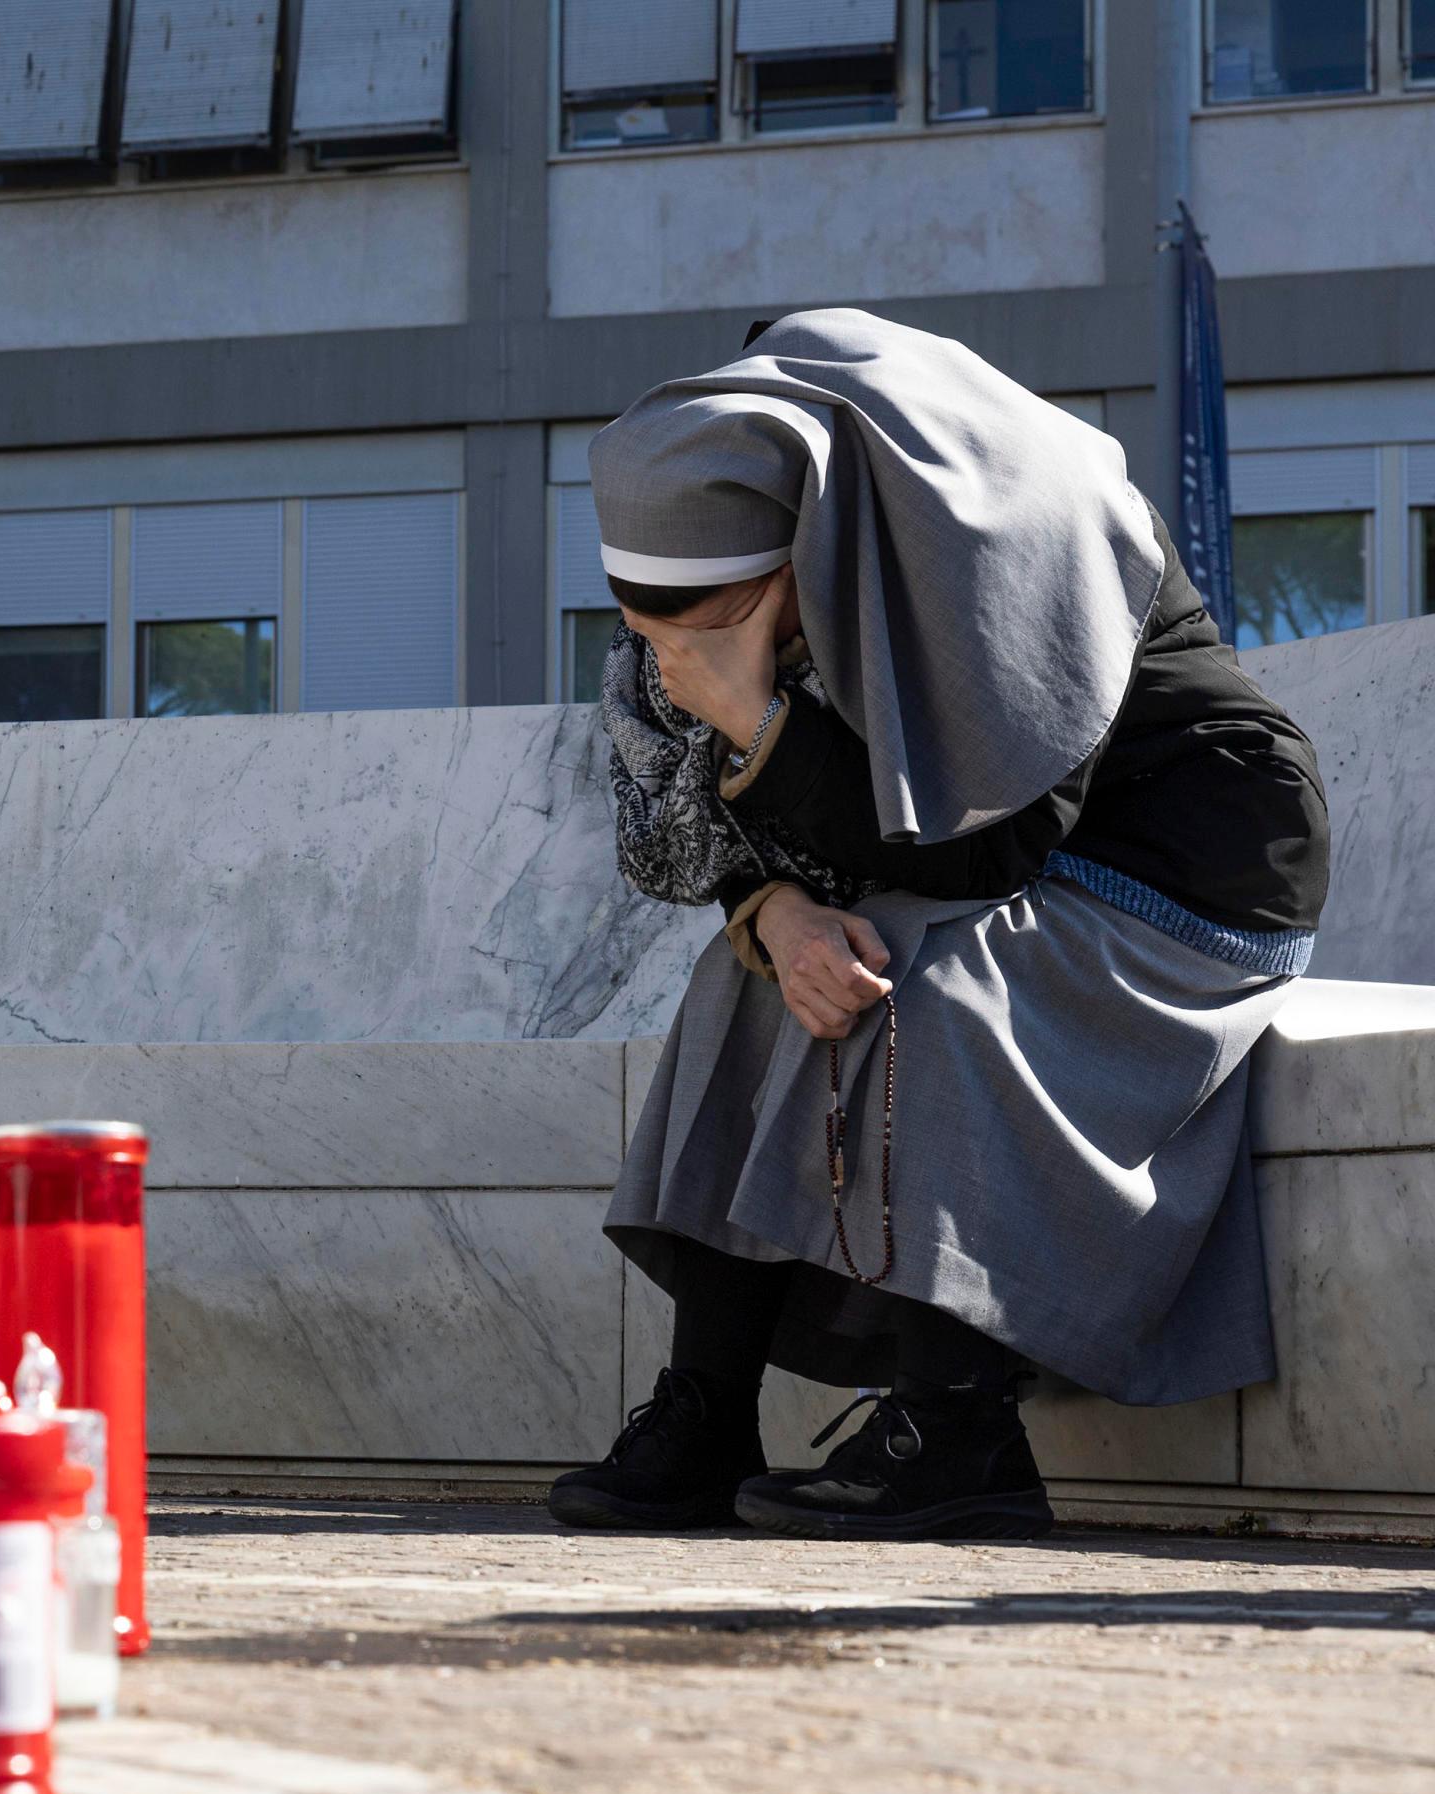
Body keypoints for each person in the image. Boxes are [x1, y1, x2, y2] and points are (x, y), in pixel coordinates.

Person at [550, 308, 1329, 1542]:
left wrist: (756, 720)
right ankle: (704, 1410)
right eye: (648, 632)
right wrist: (774, 907)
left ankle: (957, 1426)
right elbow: (686, 836)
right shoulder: (761, 546)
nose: (670, 662)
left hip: (1184, 866)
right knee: (744, 980)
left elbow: (988, 846)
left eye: (703, 628)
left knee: (919, 979)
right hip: (980, 866)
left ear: (792, 554)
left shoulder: (1005, 525)